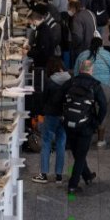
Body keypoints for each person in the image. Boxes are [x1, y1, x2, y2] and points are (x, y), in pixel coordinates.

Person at [62, 59, 107, 193]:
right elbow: (103, 106)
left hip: (69, 123)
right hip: (86, 125)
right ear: (91, 70)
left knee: (77, 152)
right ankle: (72, 185)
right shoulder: (95, 85)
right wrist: (97, 121)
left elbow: (59, 97)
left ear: (80, 69)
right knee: (80, 155)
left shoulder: (71, 82)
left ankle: (87, 176)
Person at [32, 56, 70, 184]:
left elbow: (43, 99)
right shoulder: (70, 80)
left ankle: (43, 174)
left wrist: (40, 112)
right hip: (64, 116)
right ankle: (59, 175)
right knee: (61, 143)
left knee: (46, 142)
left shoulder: (50, 81)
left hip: (51, 115)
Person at [73, 37, 110, 147]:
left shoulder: (83, 55)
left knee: (86, 109)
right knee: (103, 109)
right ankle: (101, 140)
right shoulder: (107, 55)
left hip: (87, 86)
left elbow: (76, 73)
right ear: (101, 45)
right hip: (105, 86)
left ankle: (86, 135)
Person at [27, 6, 62, 70]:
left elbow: (42, 52)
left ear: (34, 21)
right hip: (44, 62)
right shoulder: (42, 28)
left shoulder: (43, 31)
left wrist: (28, 53)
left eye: (30, 23)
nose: (30, 25)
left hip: (44, 65)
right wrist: (32, 48)